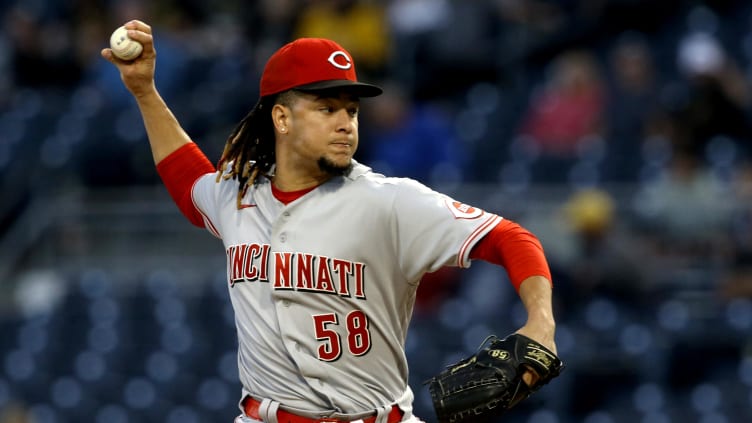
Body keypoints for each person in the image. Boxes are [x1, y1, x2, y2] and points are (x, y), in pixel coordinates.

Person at [101, 20, 558, 423]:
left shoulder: (389, 201)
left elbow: (510, 238)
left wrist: (541, 322)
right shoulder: (238, 195)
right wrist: (145, 92)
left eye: (352, 110)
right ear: (281, 117)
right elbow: (188, 181)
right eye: (327, 108)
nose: (346, 124)